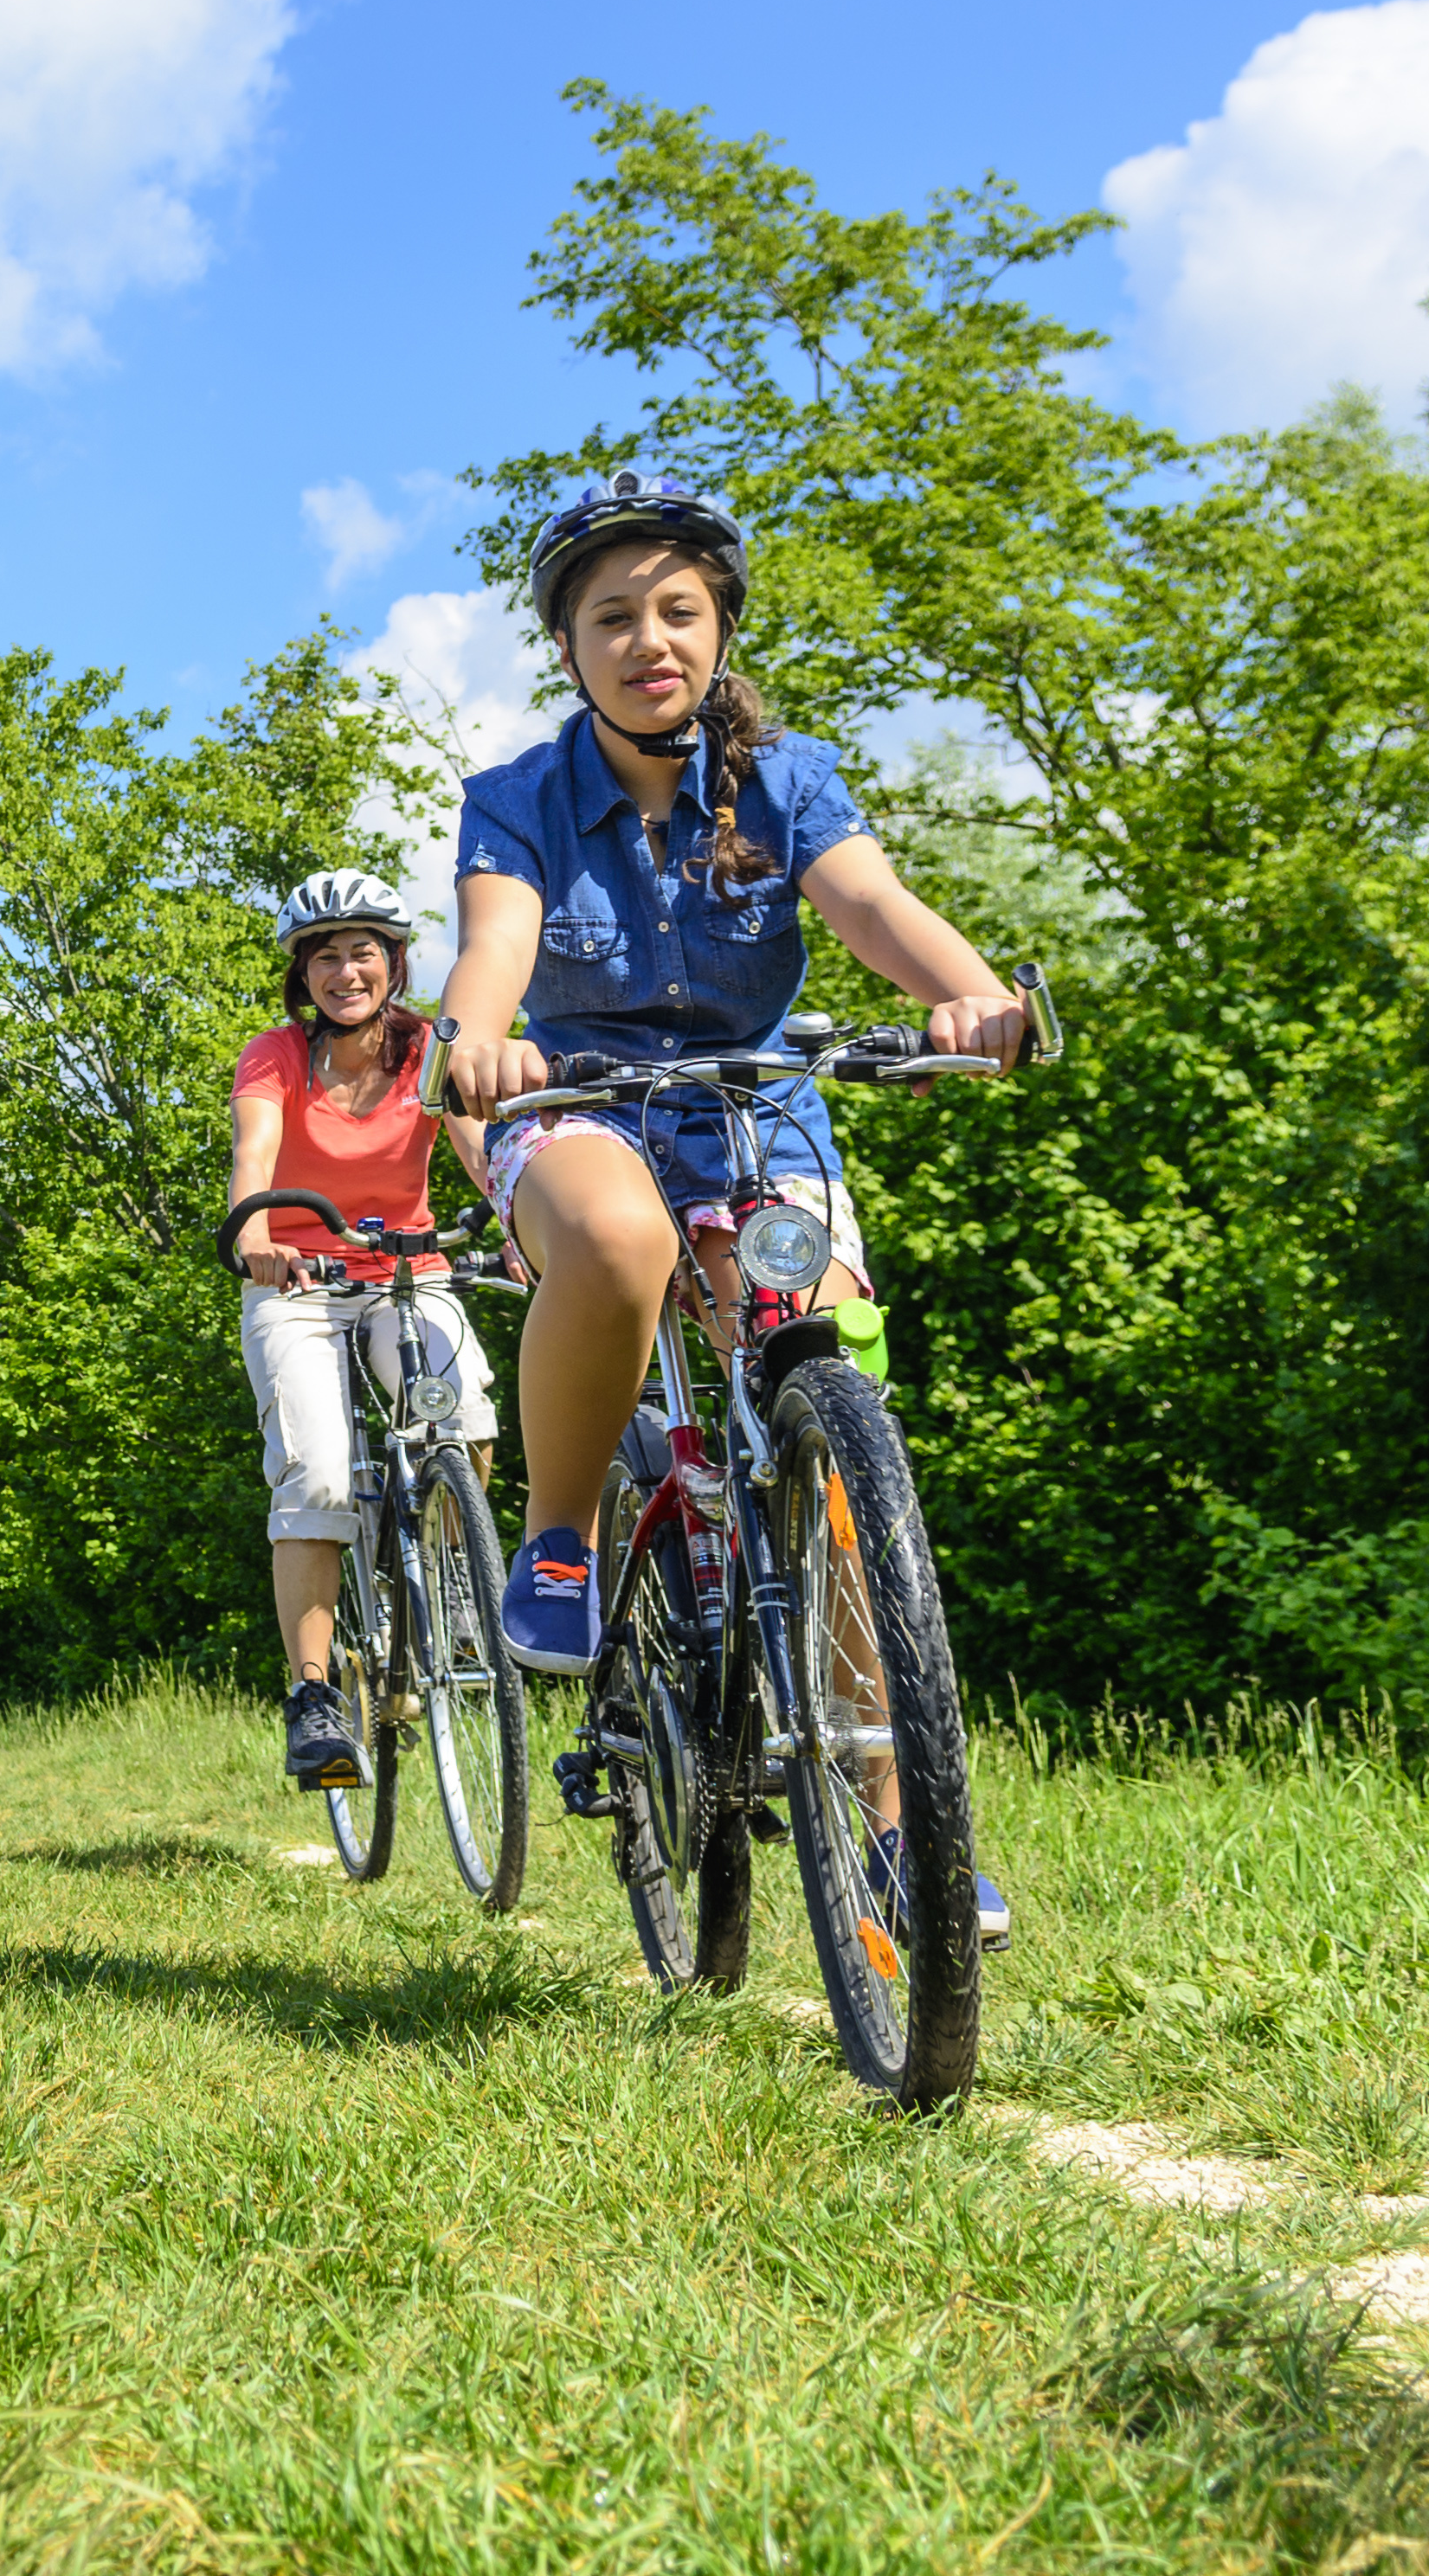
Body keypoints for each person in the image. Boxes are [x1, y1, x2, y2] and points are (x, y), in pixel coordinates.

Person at [432, 471, 1027, 1937]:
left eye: (679, 612)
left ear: (719, 630)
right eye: (614, 617)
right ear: (569, 650)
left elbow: (872, 907)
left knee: (836, 1466)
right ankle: (564, 1536)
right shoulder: (519, 803)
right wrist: (478, 1041)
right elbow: (492, 955)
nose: (651, 640)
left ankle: (898, 1847)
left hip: (757, 1109)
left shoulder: (786, 779)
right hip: (564, 1104)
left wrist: (968, 998)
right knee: (624, 1240)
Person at [226, 873, 493, 1791]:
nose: (347, 969)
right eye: (327, 954)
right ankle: (313, 1697)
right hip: (298, 1281)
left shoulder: (430, 1048)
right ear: (304, 973)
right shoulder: (275, 1056)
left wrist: (531, 1225)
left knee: (465, 1414)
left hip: (408, 1273)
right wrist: (256, 1233)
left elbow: (479, 1151)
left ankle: (451, 1593)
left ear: (394, 963)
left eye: (364, 950)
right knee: (322, 1471)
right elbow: (253, 1155)